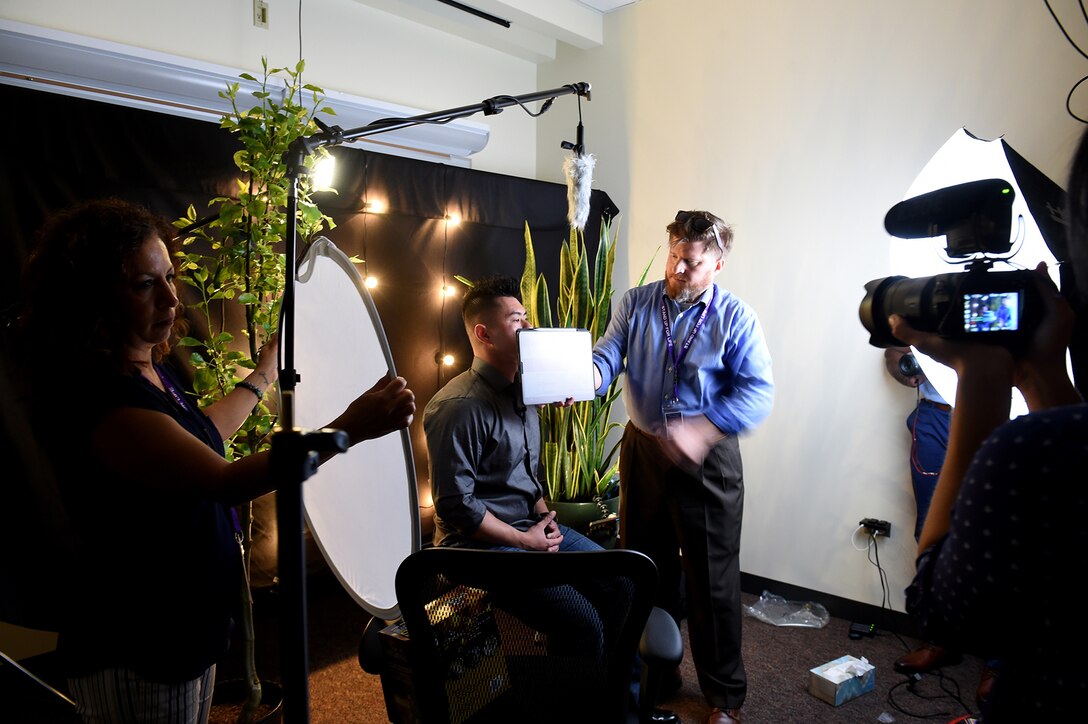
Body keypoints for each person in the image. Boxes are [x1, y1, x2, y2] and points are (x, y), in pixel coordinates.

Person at [11, 198, 416, 724]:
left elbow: (202, 435)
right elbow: (221, 480)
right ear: (95, 300)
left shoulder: (144, 371)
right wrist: (351, 428)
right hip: (141, 643)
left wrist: (266, 370)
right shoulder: (103, 400)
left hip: (183, 627)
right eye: (144, 285)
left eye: (171, 277)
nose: (172, 299)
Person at [895, 127, 1088, 721]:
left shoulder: (1032, 451)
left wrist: (982, 378)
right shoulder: (1066, 446)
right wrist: (1039, 373)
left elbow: (940, 601)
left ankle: (994, 667)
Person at [592, 210, 774, 724]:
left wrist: (702, 429)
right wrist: (585, 377)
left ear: (718, 263)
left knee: (711, 579)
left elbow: (758, 392)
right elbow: (609, 355)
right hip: (645, 448)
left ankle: (725, 698)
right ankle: (659, 670)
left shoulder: (737, 318)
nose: (676, 270)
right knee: (645, 568)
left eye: (691, 263)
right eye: (673, 256)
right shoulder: (637, 302)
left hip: (708, 457)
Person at [424, 274, 599, 553]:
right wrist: (526, 540)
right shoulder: (459, 406)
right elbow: (457, 506)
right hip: (479, 546)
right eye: (517, 320)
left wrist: (546, 520)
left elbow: (525, 479)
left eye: (526, 317)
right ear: (484, 334)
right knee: (571, 597)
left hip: (530, 526)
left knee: (622, 578)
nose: (530, 327)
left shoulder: (526, 392)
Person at [882, 347, 963, 676]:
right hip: (935, 416)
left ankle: (998, 662)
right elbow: (893, 354)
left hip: (995, 413)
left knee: (1000, 534)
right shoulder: (932, 298)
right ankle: (937, 640)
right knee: (931, 528)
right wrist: (906, 368)